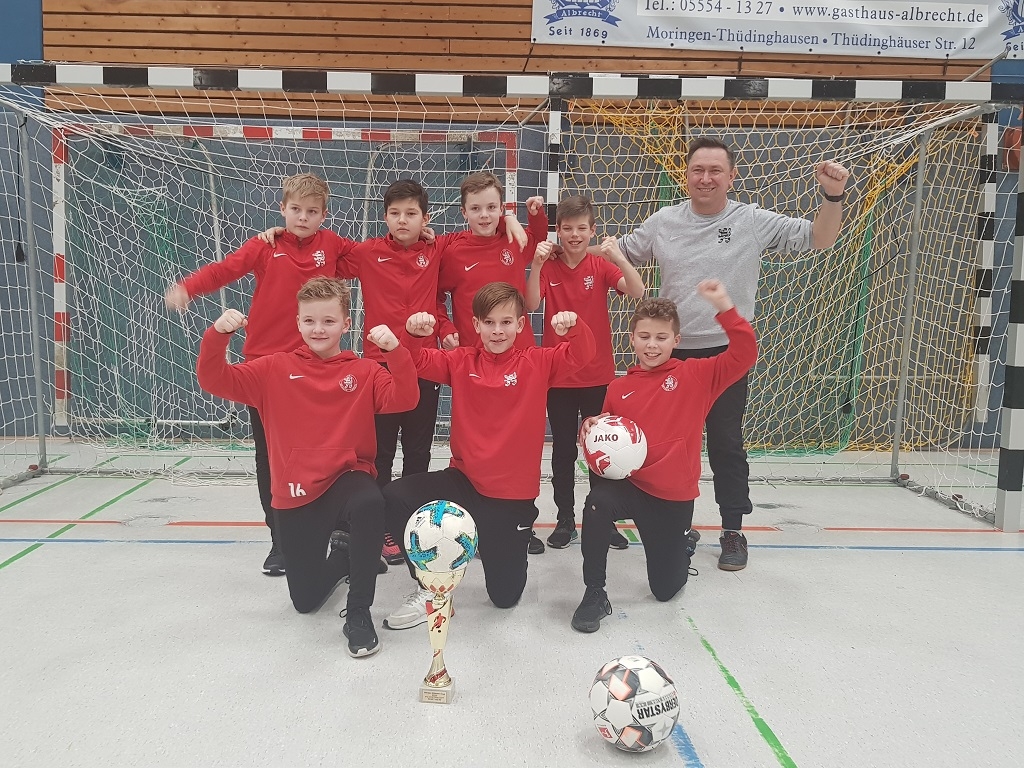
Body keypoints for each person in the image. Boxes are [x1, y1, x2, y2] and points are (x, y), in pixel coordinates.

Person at [614, 137, 850, 571]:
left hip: (724, 356)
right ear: (686, 175)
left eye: (715, 171)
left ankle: (732, 530)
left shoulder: (751, 220)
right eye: (697, 170)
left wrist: (832, 195)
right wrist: (553, 247)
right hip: (670, 356)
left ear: (731, 176)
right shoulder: (664, 221)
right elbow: (613, 254)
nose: (705, 178)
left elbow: (820, 237)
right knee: (666, 444)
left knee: (725, 443)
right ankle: (672, 524)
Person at [196, 277, 420, 656]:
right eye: (310, 320)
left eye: (329, 321)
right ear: (297, 322)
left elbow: (406, 397)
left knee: (369, 501)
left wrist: (396, 351)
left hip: (346, 480)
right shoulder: (272, 369)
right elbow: (213, 378)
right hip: (296, 492)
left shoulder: (364, 371)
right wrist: (218, 336)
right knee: (305, 601)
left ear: (346, 324)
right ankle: (346, 556)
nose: (319, 329)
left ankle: (359, 612)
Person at [258, 179, 456, 566]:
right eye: (395, 213)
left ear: (425, 218)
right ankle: (378, 527)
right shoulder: (366, 253)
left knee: (418, 452)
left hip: (424, 365)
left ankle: (409, 524)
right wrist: (282, 236)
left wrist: (517, 222)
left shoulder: (437, 249)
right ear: (384, 217)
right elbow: (322, 252)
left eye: (411, 214)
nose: (403, 220)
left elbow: (478, 237)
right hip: (378, 368)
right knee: (379, 454)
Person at [165, 172, 353, 577]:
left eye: (312, 211)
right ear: (282, 209)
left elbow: (376, 258)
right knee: (271, 457)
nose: (303, 218)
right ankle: (280, 542)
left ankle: (336, 532)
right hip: (267, 369)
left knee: (327, 452)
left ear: (324, 215)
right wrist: (188, 287)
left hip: (318, 366)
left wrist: (419, 239)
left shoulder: (334, 245)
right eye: (296, 209)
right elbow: (224, 270)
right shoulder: (265, 246)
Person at [381, 282, 596, 630]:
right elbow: (416, 361)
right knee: (393, 496)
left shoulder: (538, 362)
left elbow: (582, 354)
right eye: (490, 322)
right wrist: (414, 335)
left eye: (506, 322)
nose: (498, 331)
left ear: (521, 324)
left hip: (510, 498)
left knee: (504, 597)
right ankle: (432, 586)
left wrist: (574, 328)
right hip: (463, 483)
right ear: (476, 325)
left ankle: (487, 542)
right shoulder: (461, 361)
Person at [571, 283, 757, 632]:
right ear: (632, 339)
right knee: (597, 501)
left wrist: (724, 306)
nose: (652, 345)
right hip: (633, 489)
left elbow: (745, 354)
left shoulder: (696, 375)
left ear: (676, 340)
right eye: (644, 336)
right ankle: (595, 592)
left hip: (672, 498)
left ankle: (682, 544)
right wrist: (590, 427)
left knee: (665, 591)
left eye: (661, 337)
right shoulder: (618, 388)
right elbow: (607, 444)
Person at [434, 171, 549, 553]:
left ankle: (522, 521)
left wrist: (530, 215)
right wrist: (446, 327)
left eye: (492, 207)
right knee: (473, 443)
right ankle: (472, 521)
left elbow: (537, 239)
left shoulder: (512, 239)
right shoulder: (452, 249)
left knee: (522, 443)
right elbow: (435, 295)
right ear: (463, 211)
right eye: (476, 208)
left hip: (520, 359)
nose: (484, 215)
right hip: (474, 364)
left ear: (501, 208)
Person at [525, 195, 645, 551]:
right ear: (558, 231)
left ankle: (602, 520)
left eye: (581, 228)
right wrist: (536, 263)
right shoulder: (550, 266)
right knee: (563, 450)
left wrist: (618, 256)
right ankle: (565, 519)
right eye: (567, 228)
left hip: (598, 376)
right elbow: (530, 304)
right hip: (560, 376)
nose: (574, 235)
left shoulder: (600, 265)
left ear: (592, 231)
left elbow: (637, 290)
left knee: (602, 449)